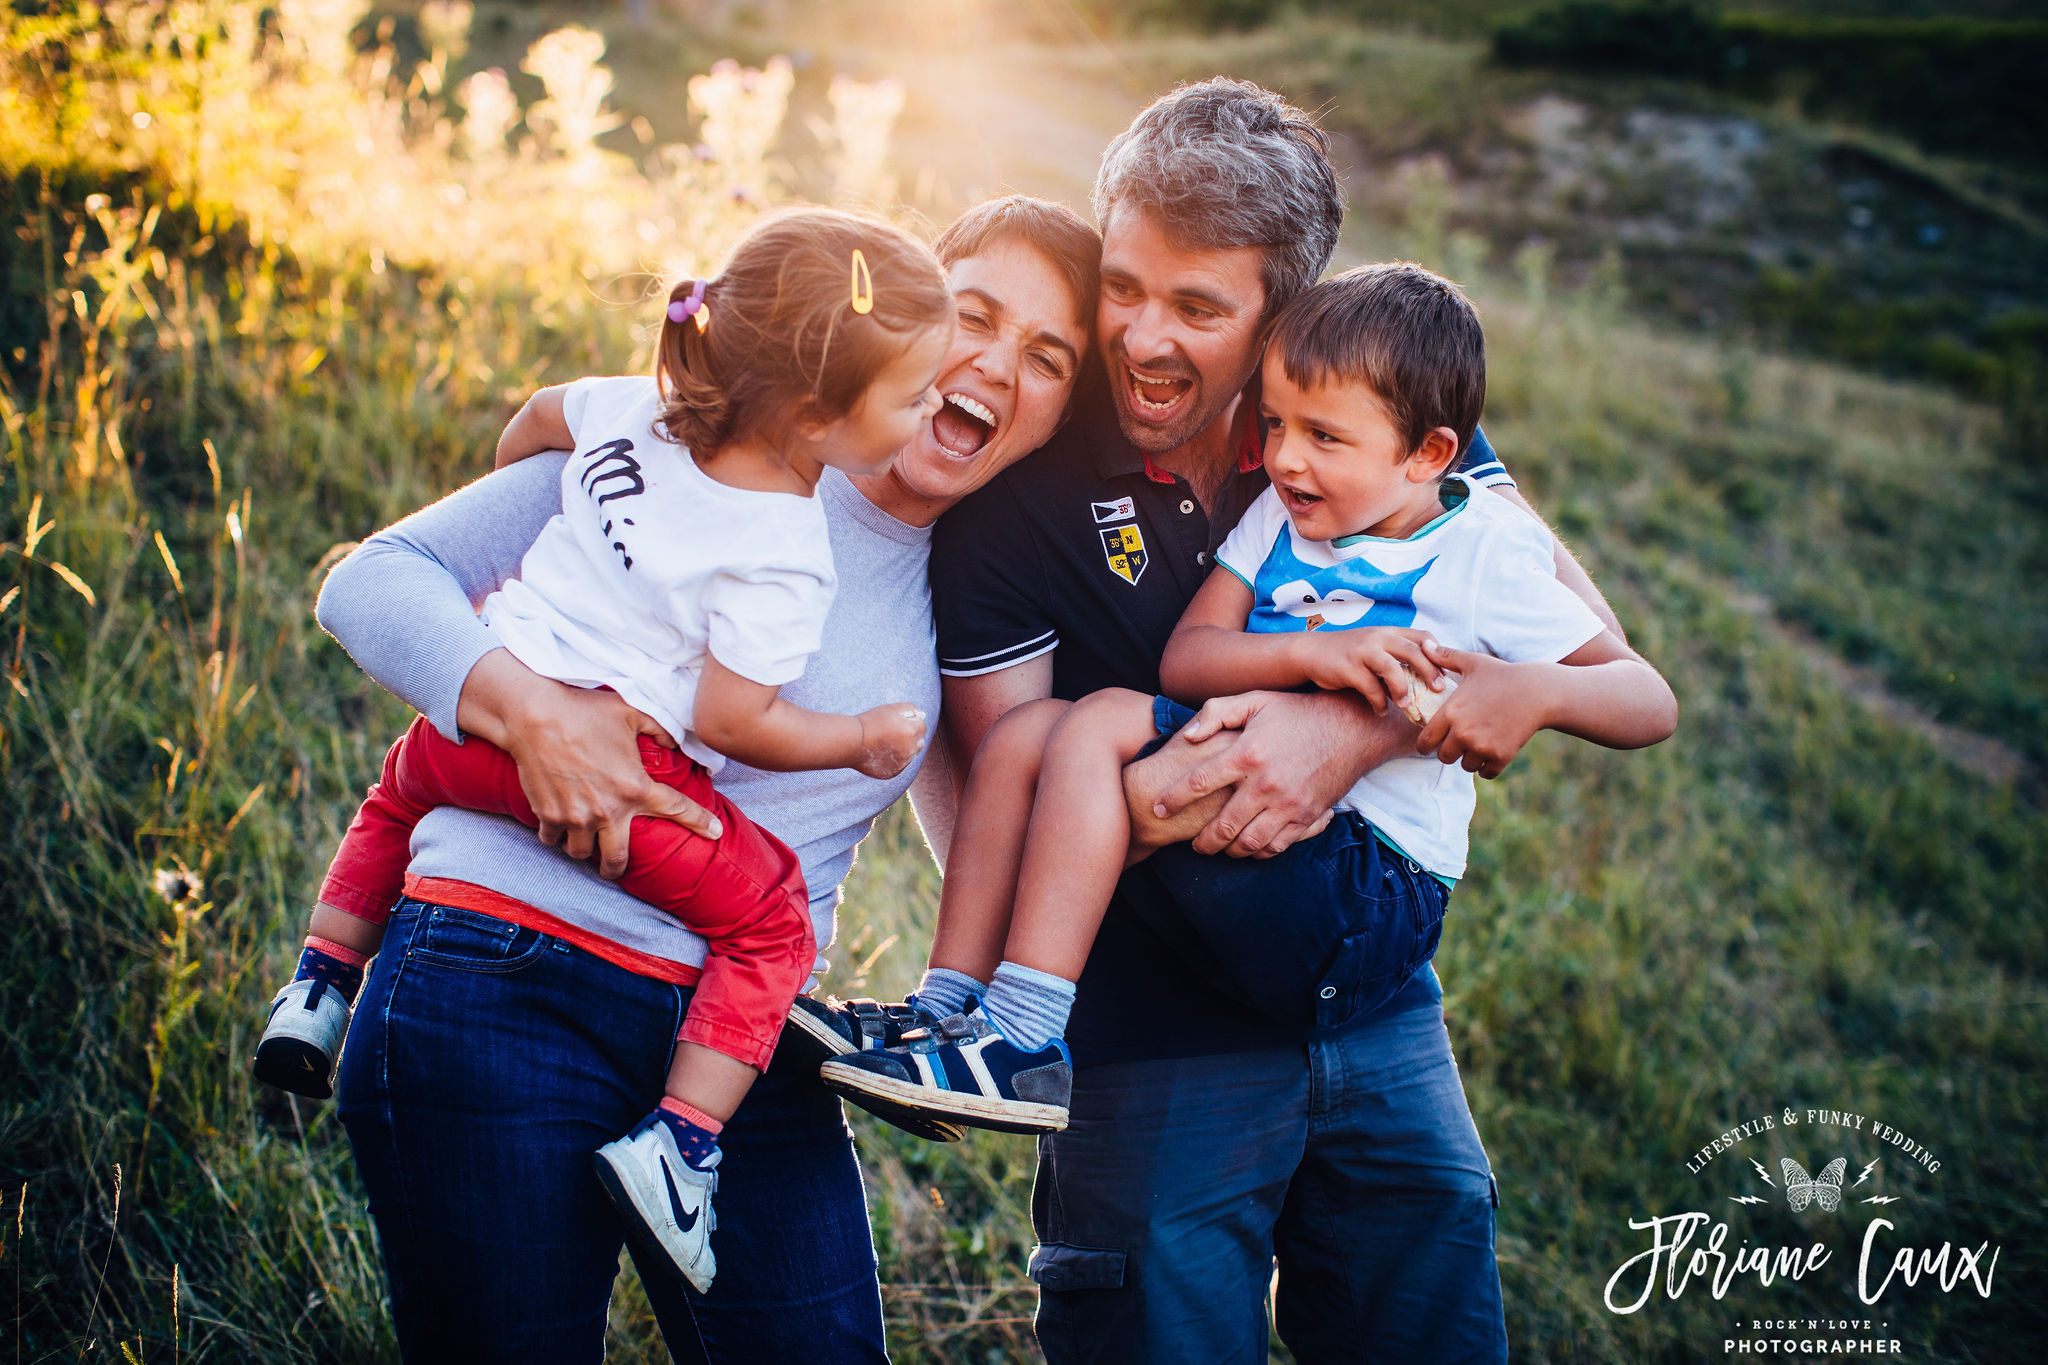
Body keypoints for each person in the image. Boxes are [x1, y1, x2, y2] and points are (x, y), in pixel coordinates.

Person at [313, 195, 1098, 1361]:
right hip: (502, 973)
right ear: (905, 325)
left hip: (741, 1050)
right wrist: (536, 716)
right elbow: (371, 584)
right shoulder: (717, 447)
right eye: (974, 316)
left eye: (1047, 359)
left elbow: (997, 821)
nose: (992, 367)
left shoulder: (972, 596)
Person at [924, 81, 1631, 1363]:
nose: (1139, 338)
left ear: (1278, 315)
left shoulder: (1369, 406)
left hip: (1375, 1004)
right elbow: (994, 811)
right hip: (1148, 1051)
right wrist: (1224, 760)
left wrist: (1352, 732)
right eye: (1121, 287)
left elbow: (1602, 661)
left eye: (1195, 309)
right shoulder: (1013, 499)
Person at [817, 263, 1677, 1136]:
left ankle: (1025, 1037)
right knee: (1024, 735)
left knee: (1101, 720)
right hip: (1260, 805)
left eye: (1325, 438)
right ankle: (949, 1005)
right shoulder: (1282, 514)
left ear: (1430, 454)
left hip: (1375, 879)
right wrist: (1312, 651)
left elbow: (1647, 700)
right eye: (1273, 424)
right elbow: (1190, 659)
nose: (1286, 456)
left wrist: (1532, 689)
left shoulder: (1484, 548)